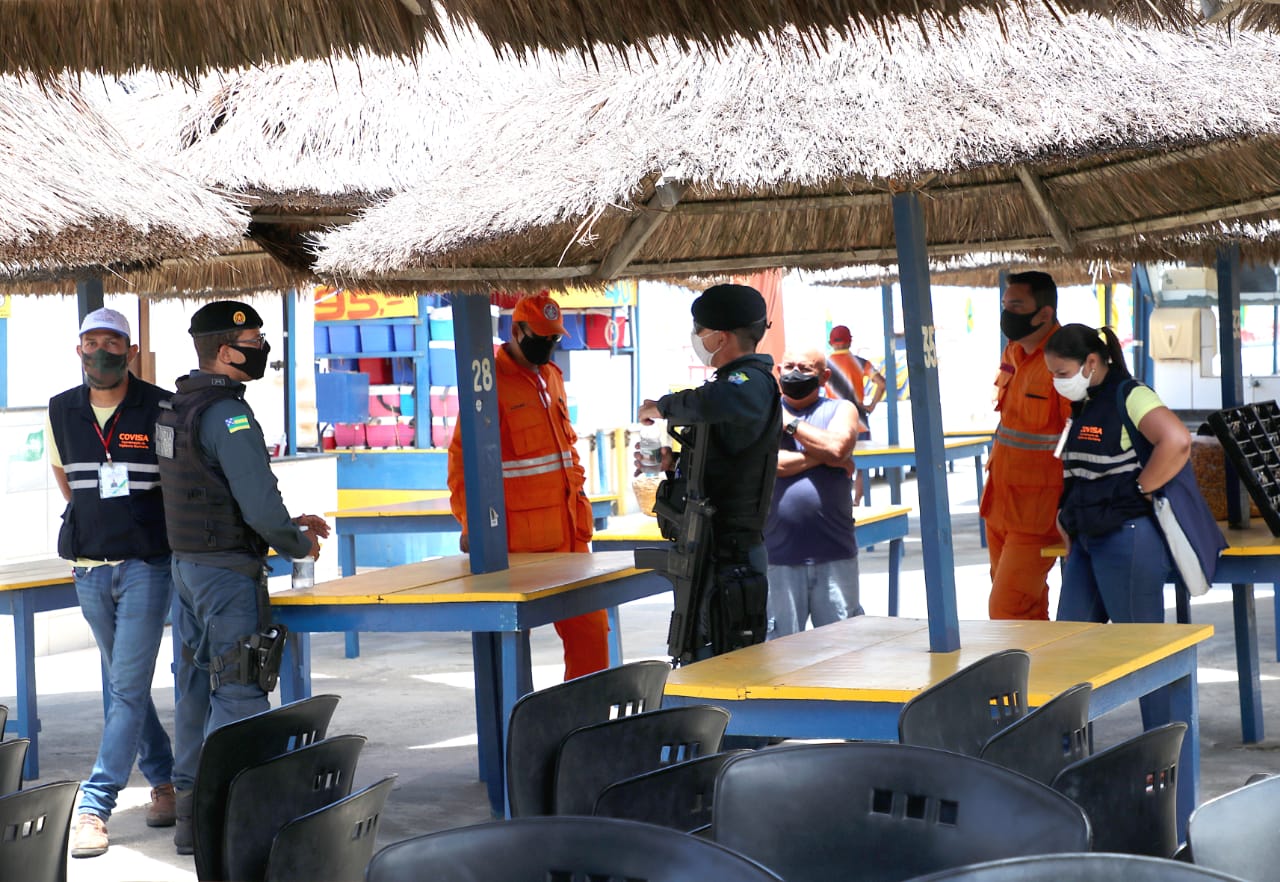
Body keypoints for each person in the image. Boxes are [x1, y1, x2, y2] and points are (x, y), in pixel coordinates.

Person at [155, 301, 329, 855]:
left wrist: (284, 524)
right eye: (253, 341)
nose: (261, 349)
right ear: (227, 351)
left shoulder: (176, 407)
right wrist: (298, 542)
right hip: (228, 574)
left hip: (187, 569)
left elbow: (204, 488)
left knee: (193, 692)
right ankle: (237, 820)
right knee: (239, 691)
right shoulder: (228, 414)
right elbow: (259, 506)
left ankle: (192, 816)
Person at [46, 308, 176, 858]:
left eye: (113, 342)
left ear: (131, 350)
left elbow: (175, 477)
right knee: (129, 685)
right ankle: (164, 781)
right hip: (89, 567)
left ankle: (95, 806)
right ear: (78, 350)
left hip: (146, 564)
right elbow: (68, 483)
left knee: (123, 686)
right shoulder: (61, 410)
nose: (101, 351)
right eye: (91, 341)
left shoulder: (161, 406)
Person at [447, 292, 608, 681]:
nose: (548, 345)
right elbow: (462, 462)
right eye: (541, 337)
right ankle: (517, 717)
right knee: (511, 645)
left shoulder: (552, 377)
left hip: (570, 533)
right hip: (520, 543)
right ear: (516, 331)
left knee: (592, 633)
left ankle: (584, 714)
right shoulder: (489, 383)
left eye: (554, 338)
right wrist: (471, 523)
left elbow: (565, 450)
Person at [1046, 322, 1190, 727]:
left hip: (1127, 538)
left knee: (1143, 654)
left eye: (1062, 373)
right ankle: (1069, 751)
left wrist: (1142, 487)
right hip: (1087, 540)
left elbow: (1177, 440)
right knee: (1069, 650)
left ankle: (1162, 749)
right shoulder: (1086, 402)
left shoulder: (1130, 395)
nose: (1058, 382)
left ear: (1091, 362)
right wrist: (1066, 515)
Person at [637, 283, 781, 657]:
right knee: (695, 654)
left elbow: (716, 401)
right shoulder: (729, 385)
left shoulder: (749, 381)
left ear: (721, 336)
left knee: (722, 661)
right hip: (709, 551)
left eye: (700, 330)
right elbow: (726, 454)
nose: (696, 338)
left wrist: (661, 407)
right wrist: (673, 464)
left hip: (731, 555)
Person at [980, 271, 1073, 620]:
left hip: (1037, 513)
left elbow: (1078, 436)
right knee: (1024, 609)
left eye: (1016, 306)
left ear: (1044, 314)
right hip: (999, 503)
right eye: (1006, 305)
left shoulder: (1065, 358)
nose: (1007, 313)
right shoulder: (1013, 350)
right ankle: (1040, 659)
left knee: (1007, 609)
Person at [765, 349, 862, 638]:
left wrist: (789, 423)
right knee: (781, 650)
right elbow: (771, 464)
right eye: (789, 366)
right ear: (779, 370)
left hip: (835, 554)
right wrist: (824, 456)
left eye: (805, 369)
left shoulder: (841, 409)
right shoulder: (765, 414)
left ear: (824, 377)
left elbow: (838, 447)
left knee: (843, 647)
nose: (795, 373)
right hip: (778, 557)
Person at [826, 325, 886, 503]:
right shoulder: (861, 363)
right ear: (850, 341)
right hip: (859, 419)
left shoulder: (824, 365)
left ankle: (842, 502)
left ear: (830, 343)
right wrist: (872, 405)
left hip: (834, 420)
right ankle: (858, 502)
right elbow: (882, 383)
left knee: (838, 463)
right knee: (862, 466)